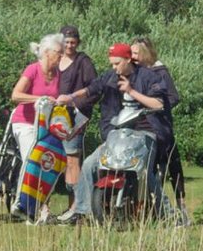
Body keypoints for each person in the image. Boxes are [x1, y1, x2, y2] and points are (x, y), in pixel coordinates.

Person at [57, 43, 172, 224]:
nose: (114, 67)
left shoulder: (149, 76)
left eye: (117, 63)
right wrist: (70, 97)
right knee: (89, 164)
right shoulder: (111, 76)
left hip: (146, 132)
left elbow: (159, 104)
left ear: (128, 59)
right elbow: (91, 89)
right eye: (112, 64)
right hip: (117, 134)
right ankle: (82, 211)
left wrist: (131, 91)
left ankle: (167, 213)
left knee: (144, 171)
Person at [131, 37, 190, 226]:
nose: (133, 57)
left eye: (136, 53)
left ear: (145, 53)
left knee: (173, 169)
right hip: (143, 128)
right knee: (148, 169)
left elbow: (173, 97)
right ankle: (150, 210)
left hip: (162, 126)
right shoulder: (136, 72)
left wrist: (155, 107)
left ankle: (182, 210)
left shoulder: (160, 71)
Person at [10, 33, 65, 224]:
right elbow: (16, 95)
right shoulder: (33, 70)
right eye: (59, 52)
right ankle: (23, 206)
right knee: (32, 160)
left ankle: (42, 210)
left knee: (46, 164)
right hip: (24, 123)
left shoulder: (58, 74)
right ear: (47, 53)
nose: (61, 56)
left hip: (44, 125)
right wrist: (39, 99)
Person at [56, 26, 98, 224]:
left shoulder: (84, 62)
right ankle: (71, 205)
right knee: (62, 161)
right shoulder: (55, 59)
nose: (70, 46)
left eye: (73, 42)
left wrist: (74, 103)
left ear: (78, 43)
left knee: (73, 160)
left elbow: (94, 90)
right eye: (66, 42)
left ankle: (77, 207)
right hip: (55, 117)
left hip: (75, 117)